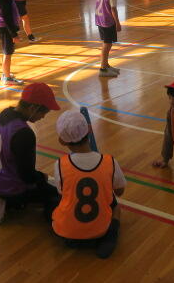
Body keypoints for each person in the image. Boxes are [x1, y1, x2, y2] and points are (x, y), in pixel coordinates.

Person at [0, 82, 61, 224]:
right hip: (13, 190)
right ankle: (10, 204)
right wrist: (44, 178)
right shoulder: (24, 134)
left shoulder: (3, 115)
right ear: (33, 108)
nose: (43, 117)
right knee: (56, 194)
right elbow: (27, 176)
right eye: (43, 113)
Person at [52, 110, 126, 259]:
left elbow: (62, 193)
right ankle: (111, 236)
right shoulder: (109, 161)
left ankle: (73, 230)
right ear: (90, 129)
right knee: (116, 207)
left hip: (68, 236)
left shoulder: (60, 164)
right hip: (100, 232)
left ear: (62, 141)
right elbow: (119, 191)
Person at [96, 0, 122, 77]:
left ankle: (106, 65)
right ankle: (102, 68)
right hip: (107, 22)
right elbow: (113, 9)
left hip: (100, 20)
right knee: (107, 45)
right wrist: (118, 23)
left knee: (108, 43)